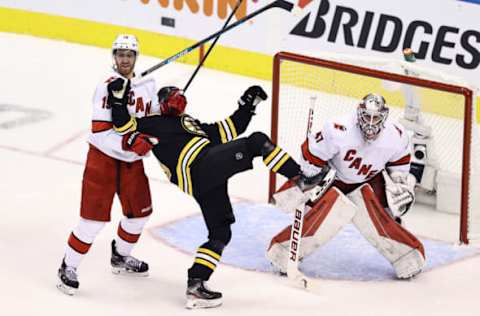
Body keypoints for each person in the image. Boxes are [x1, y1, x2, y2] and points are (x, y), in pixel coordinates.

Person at [111, 84, 323, 308]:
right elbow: (124, 124)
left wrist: (247, 105)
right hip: (199, 166)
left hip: (204, 180)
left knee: (221, 232)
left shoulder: (193, 125)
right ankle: (302, 180)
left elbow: (229, 129)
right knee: (257, 141)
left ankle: (196, 285)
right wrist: (118, 99)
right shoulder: (153, 123)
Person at [267, 93, 426, 280]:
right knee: (325, 217)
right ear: (359, 114)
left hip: (368, 181)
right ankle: (282, 253)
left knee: (384, 219)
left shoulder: (396, 135)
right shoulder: (338, 129)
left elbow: (399, 164)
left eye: (376, 118)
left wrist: (400, 184)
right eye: (367, 116)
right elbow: (311, 154)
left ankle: (406, 257)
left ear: (385, 117)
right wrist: (310, 171)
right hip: (332, 179)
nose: (371, 123)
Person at [56, 34, 160, 295]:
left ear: (136, 57)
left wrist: (172, 105)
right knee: (92, 221)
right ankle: (68, 267)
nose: (125, 59)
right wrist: (130, 143)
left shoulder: (147, 85)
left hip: (131, 165)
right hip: (102, 161)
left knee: (140, 214)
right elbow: (101, 133)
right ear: (114, 57)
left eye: (129, 55)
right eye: (120, 55)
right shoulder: (106, 87)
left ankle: (120, 256)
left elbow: (155, 117)